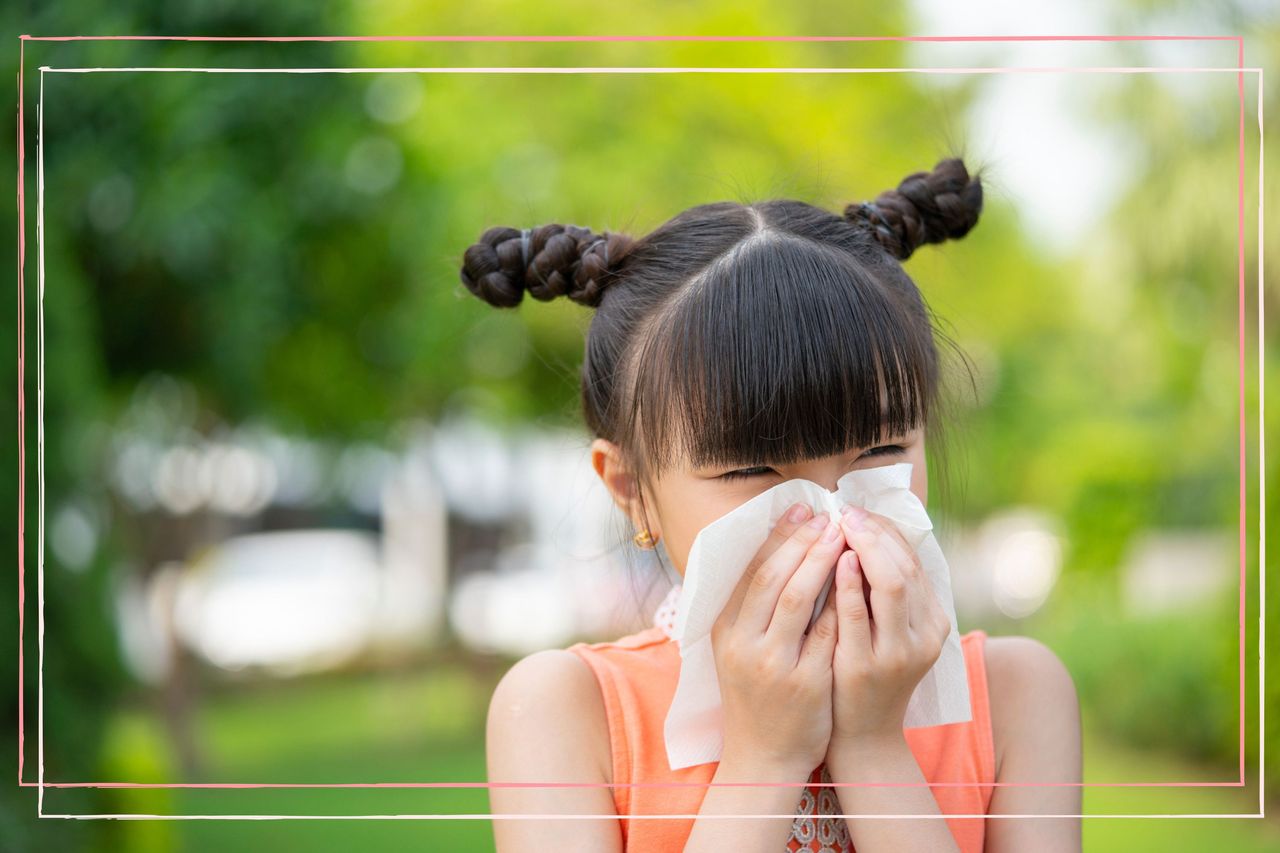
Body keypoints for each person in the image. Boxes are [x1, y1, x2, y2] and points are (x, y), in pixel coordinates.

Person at [462, 157, 1082, 852]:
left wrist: (876, 748)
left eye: (880, 452)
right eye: (755, 466)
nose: (828, 514)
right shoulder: (565, 709)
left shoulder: (1015, 694)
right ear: (633, 490)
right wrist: (764, 760)